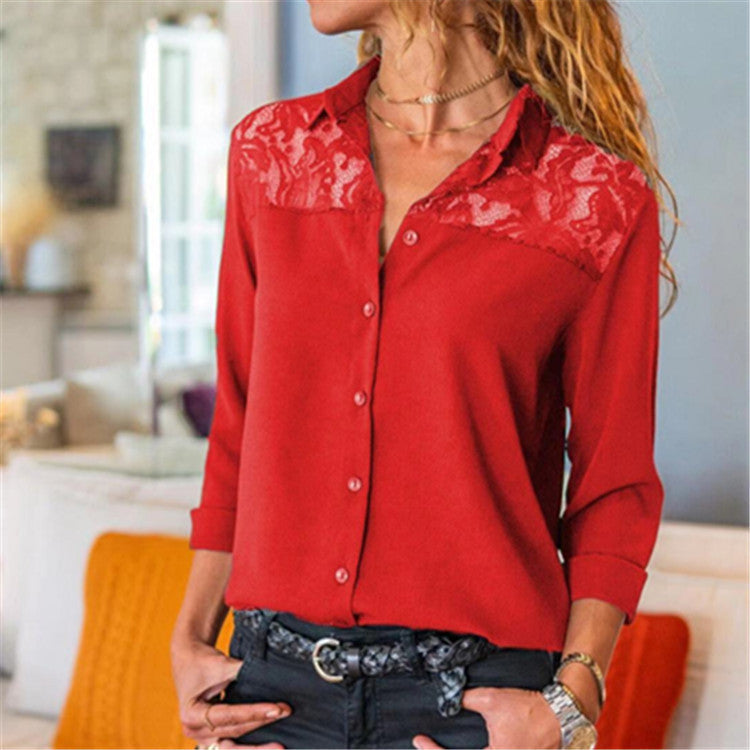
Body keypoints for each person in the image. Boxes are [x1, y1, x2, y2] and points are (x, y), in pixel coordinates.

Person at [170, 1, 679, 748]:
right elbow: (241, 423)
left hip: (475, 706)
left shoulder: (591, 197)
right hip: (271, 693)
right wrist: (190, 636)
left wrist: (571, 701)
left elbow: (615, 482)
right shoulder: (274, 153)